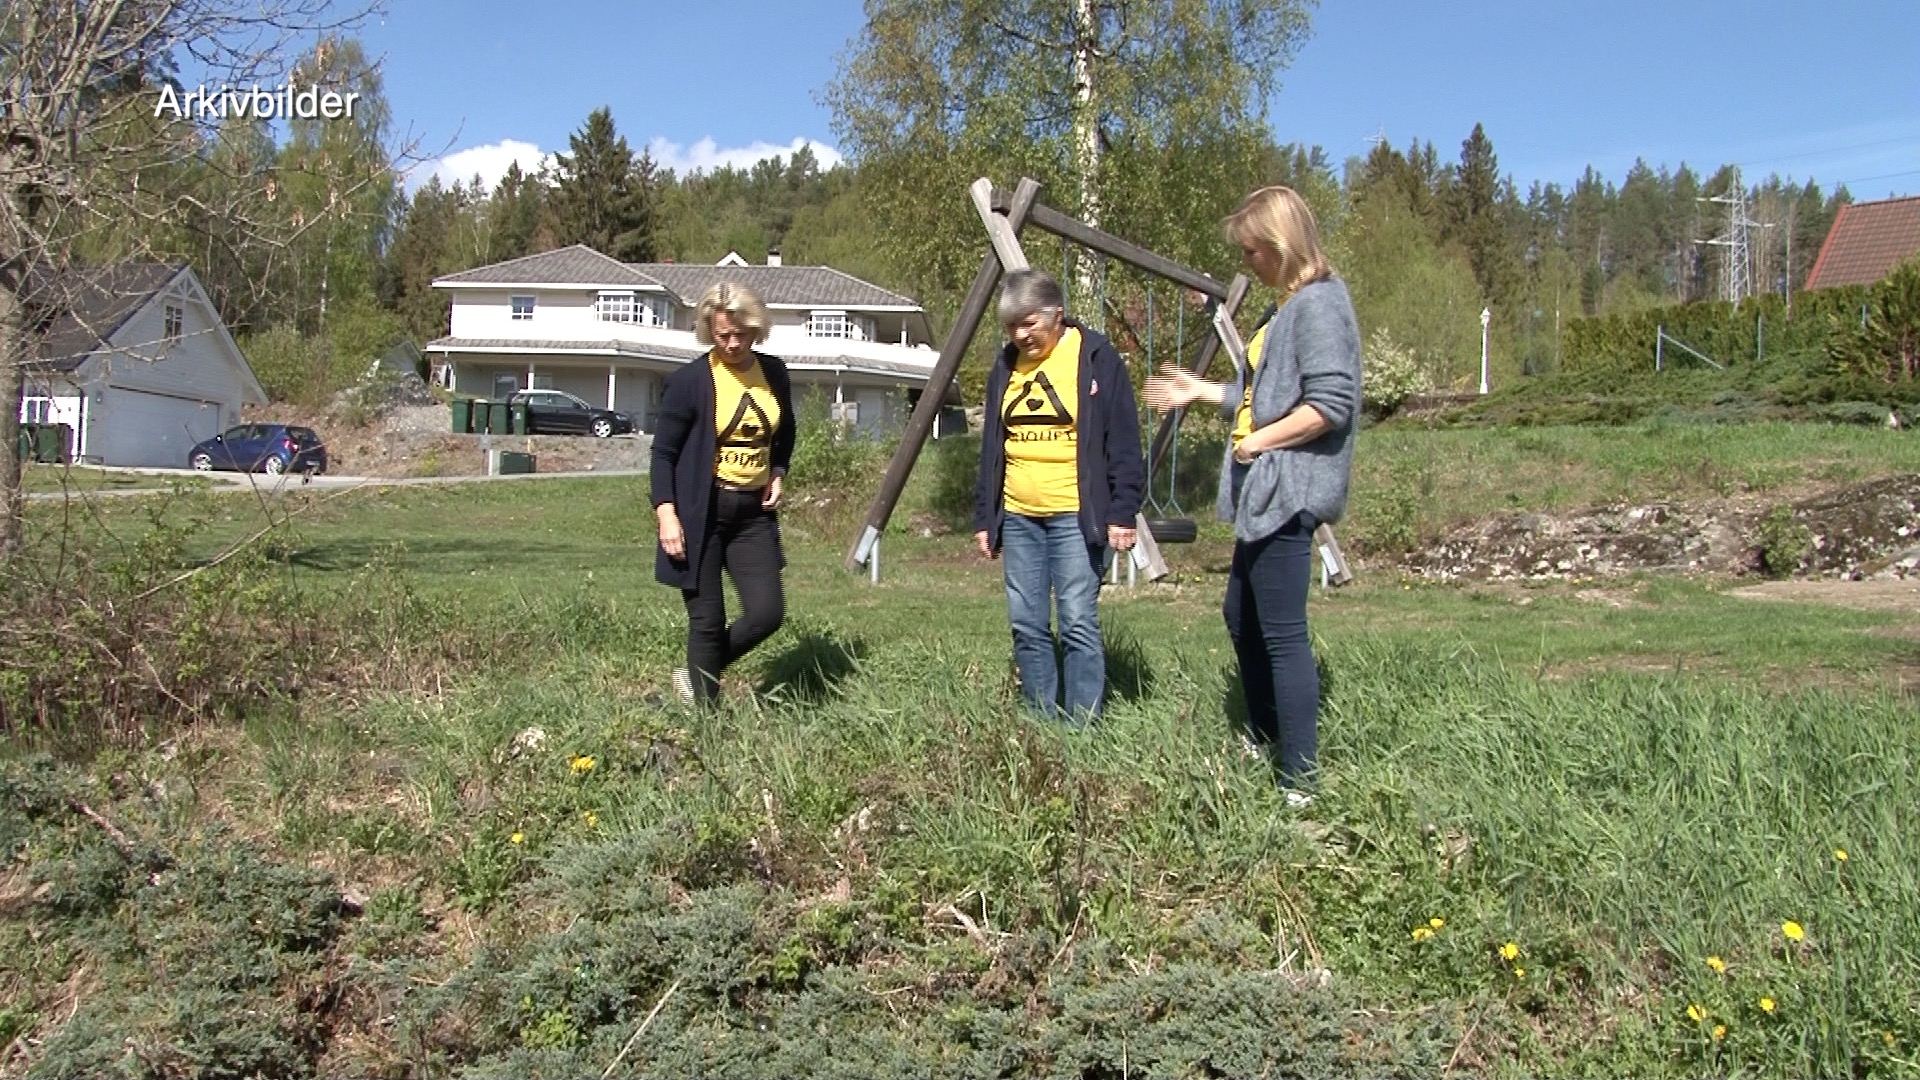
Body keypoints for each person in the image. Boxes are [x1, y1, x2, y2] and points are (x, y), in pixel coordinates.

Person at [1144, 187, 1360, 802]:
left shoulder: (1318, 305)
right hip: (1265, 490)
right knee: (1241, 615)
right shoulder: (1285, 307)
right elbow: (1255, 392)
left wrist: (1261, 442)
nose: (1247, 262)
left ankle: (1300, 781)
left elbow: (1330, 406)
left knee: (1283, 631)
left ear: (1281, 246)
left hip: (1290, 489)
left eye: (1251, 251)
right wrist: (1202, 392)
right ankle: (1268, 739)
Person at [973, 269, 1144, 723]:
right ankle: (1040, 722)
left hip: (1076, 515)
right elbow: (993, 446)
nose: (1021, 334)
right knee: (1027, 623)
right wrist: (985, 518)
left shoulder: (1097, 358)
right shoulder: (1006, 364)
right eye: (1012, 326)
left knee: (1076, 623)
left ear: (1058, 315)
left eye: (1029, 323)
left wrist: (1123, 511)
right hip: (1020, 514)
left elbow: (1124, 441)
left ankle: (1083, 726)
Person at [651, 282, 796, 704]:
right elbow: (663, 454)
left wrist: (778, 471)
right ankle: (705, 723)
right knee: (707, 621)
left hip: (752, 515)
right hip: (701, 512)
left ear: (756, 329)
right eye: (722, 336)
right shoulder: (690, 381)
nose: (732, 344)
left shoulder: (775, 374)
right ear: (708, 332)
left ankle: (696, 676)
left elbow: (785, 433)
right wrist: (666, 514)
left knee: (768, 614)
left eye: (741, 334)